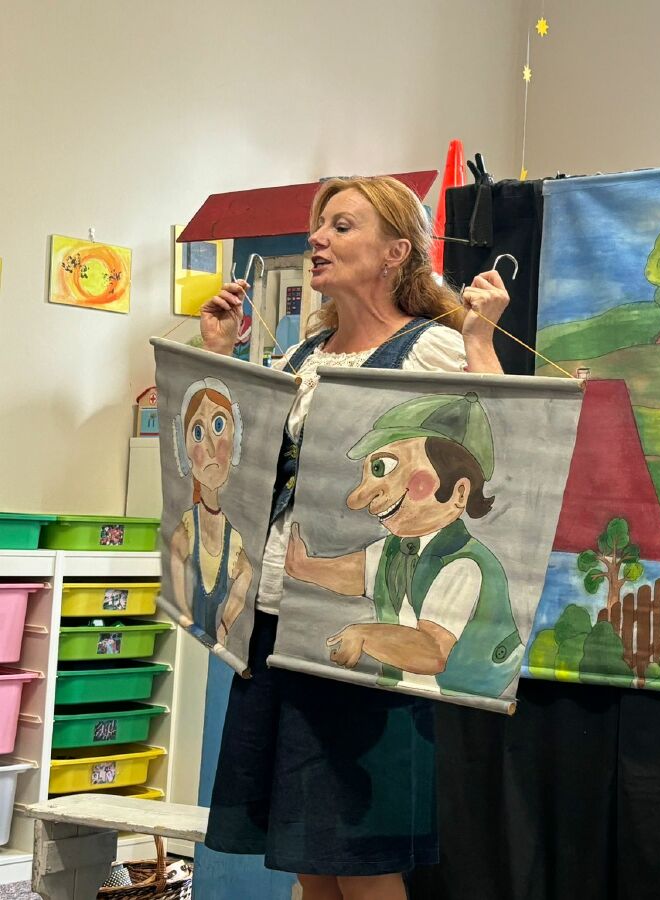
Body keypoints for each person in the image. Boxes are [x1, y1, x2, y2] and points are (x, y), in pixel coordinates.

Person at [198, 174, 510, 900]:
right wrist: (220, 353)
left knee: (360, 860)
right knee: (308, 854)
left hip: (359, 633)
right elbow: (246, 470)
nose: (317, 237)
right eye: (321, 224)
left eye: (341, 226)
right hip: (275, 618)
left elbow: (505, 433)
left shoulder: (430, 348)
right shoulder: (303, 356)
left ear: (396, 251)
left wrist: (480, 339)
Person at [285, 391, 521, 701]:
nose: (358, 500)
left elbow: (432, 651)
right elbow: (358, 573)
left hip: (463, 703)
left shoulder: (464, 565)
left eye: (385, 468)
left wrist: (364, 635)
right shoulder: (395, 548)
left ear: (459, 492)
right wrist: (304, 567)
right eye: (373, 471)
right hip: (406, 690)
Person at [167, 377, 252, 651]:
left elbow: (246, 575)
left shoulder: (234, 541)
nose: (211, 448)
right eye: (197, 432)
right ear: (184, 450)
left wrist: (224, 629)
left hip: (216, 656)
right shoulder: (185, 530)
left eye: (219, 426)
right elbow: (178, 610)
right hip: (186, 652)